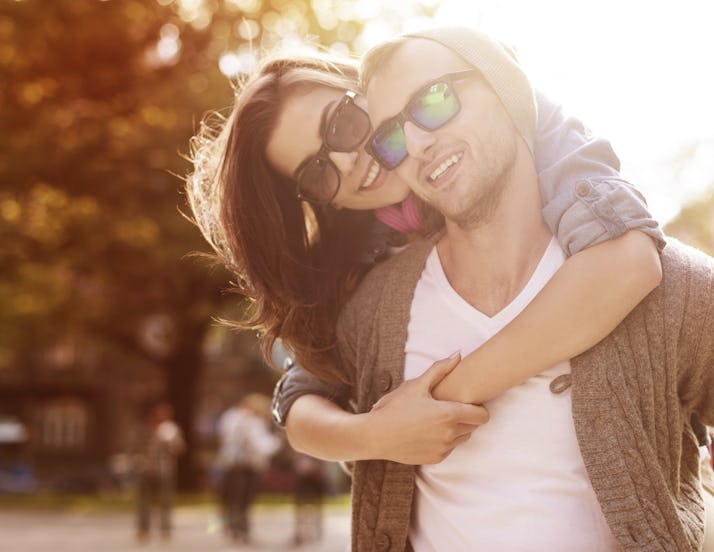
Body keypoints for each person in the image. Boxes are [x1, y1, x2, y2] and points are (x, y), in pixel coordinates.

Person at [276, 26, 714, 551]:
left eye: (435, 100)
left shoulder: (672, 287)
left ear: (504, 86)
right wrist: (374, 435)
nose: (416, 142)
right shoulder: (370, 308)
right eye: (391, 135)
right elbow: (305, 400)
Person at [188, 49, 666, 461]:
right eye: (315, 173)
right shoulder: (354, 257)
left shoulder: (507, 121)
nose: (346, 161)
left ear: (366, 87)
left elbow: (628, 261)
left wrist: (447, 396)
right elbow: (300, 401)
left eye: (340, 123)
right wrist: (377, 435)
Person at [215, 393, 281, 545]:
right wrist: (277, 442)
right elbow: (262, 446)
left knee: (231, 498)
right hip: (247, 467)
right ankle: (242, 531)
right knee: (244, 501)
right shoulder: (253, 422)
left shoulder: (229, 417)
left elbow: (223, 438)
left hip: (230, 464)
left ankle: (232, 529)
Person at [135, 401, 185, 543]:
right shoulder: (146, 428)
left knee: (166, 501)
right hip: (147, 469)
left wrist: (170, 441)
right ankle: (143, 529)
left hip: (165, 469)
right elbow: (138, 446)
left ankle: (166, 529)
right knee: (145, 502)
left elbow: (179, 449)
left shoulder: (171, 428)